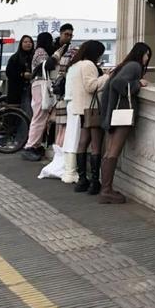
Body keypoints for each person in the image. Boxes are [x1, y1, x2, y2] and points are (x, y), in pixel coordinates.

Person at [98, 42, 151, 203]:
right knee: (113, 151)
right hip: (121, 113)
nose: (147, 58)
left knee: (109, 152)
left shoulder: (126, 65)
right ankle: (106, 190)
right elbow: (118, 84)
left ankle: (105, 189)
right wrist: (138, 83)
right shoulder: (134, 66)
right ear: (140, 54)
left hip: (112, 113)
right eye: (147, 54)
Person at [67, 40, 109, 194]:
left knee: (82, 143)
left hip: (81, 109)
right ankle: (94, 182)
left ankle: (82, 180)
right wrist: (106, 76)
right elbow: (91, 86)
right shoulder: (89, 65)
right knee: (96, 145)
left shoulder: (76, 65)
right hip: (92, 110)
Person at [21, 32, 63, 160]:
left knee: (42, 116)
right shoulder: (40, 51)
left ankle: (36, 144)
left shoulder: (39, 50)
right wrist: (57, 54)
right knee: (39, 115)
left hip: (40, 85)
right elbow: (47, 65)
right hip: (40, 85)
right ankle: (30, 146)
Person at [52, 24, 76, 148]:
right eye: (66, 34)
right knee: (62, 126)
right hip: (60, 89)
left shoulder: (69, 49)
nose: (69, 37)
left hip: (60, 90)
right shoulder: (55, 48)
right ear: (60, 33)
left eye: (71, 35)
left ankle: (56, 150)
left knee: (61, 125)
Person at [5, 35, 34, 115]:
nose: (28, 44)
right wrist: (22, 74)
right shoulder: (15, 58)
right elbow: (9, 72)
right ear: (21, 44)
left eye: (30, 42)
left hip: (31, 90)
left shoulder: (34, 57)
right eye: (25, 42)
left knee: (29, 113)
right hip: (16, 91)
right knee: (15, 115)